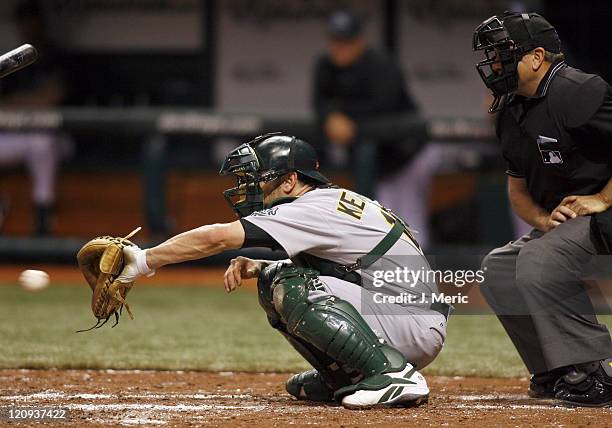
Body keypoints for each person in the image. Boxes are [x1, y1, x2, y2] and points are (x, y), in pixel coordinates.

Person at [116, 133, 449, 409]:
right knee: (272, 278)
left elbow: (217, 238)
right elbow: (346, 269)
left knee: (291, 286)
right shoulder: (328, 201)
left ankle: (391, 374)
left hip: (410, 321)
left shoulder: (311, 208)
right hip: (406, 313)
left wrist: (144, 260)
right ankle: (347, 375)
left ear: (290, 180)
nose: (249, 190)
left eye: (258, 181)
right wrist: (261, 267)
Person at [474, 11, 612, 406]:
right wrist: (542, 220)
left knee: (539, 260)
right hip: (577, 219)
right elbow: (517, 190)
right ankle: (555, 368)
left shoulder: (576, 90)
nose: (494, 65)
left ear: (537, 57)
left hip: (605, 208)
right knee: (498, 268)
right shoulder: (512, 111)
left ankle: (592, 372)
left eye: (502, 54)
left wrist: (602, 198)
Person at [312, 10, 427, 241]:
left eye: (347, 41)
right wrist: (331, 117)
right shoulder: (325, 65)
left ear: (359, 41)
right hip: (378, 161)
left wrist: (344, 118)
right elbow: (319, 103)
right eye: (336, 41)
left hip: (409, 153)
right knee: (380, 225)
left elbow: (385, 107)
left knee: (411, 223)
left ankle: (418, 272)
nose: (340, 47)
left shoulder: (380, 63)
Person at [0, 0, 66, 235]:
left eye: (33, 22)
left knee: (42, 142)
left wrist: (18, 102)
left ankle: (43, 216)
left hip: (57, 138)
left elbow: (51, 96)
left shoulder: (55, 57)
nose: (29, 28)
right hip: (14, 135)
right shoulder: (10, 66)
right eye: (24, 23)